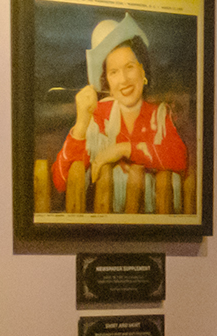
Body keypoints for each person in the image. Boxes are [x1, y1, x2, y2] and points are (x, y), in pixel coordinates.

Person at [50, 14, 187, 213]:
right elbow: (61, 182)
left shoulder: (159, 115)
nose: (123, 80)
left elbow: (180, 158)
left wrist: (122, 149)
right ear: (107, 81)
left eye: (130, 67)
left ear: (143, 71)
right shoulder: (98, 118)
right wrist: (80, 125)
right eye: (113, 72)